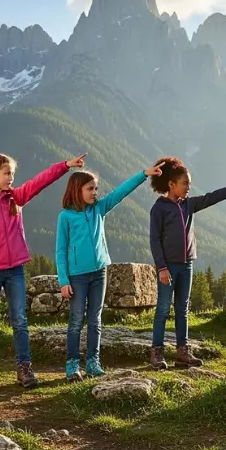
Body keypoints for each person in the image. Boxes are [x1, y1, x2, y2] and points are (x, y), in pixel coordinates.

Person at [0, 152, 85, 392]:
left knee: (20, 320)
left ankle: (24, 368)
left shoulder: (15, 198)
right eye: (6, 173)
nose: (11, 178)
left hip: (15, 270)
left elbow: (39, 182)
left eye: (12, 173)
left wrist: (65, 166)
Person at [148, 156, 226, 370]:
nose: (189, 187)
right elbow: (154, 240)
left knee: (182, 309)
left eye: (189, 184)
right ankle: (156, 353)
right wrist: (161, 267)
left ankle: (183, 352)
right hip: (168, 267)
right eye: (185, 184)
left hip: (186, 264)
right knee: (163, 309)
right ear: (171, 185)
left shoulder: (189, 205)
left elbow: (213, 197)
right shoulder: (159, 208)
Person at [56, 163, 165, 382]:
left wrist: (143, 174)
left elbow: (121, 192)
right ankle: (72, 365)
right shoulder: (65, 217)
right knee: (76, 320)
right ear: (77, 190)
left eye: (96, 188)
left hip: (99, 273)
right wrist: (63, 280)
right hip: (77, 276)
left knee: (95, 319)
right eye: (90, 189)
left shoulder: (99, 209)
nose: (95, 193)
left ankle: (93, 363)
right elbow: (60, 250)